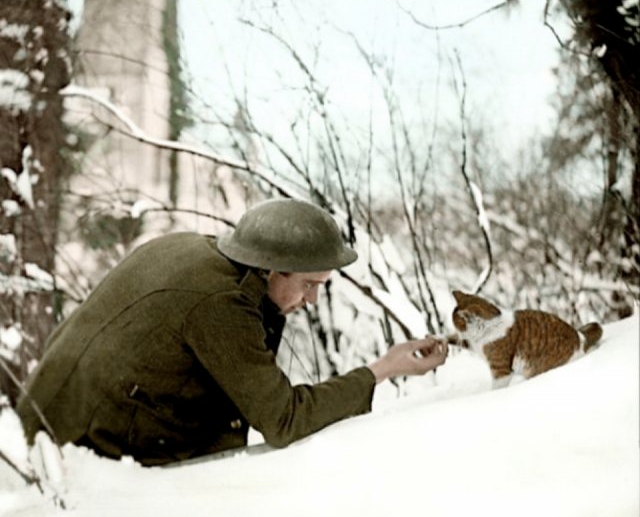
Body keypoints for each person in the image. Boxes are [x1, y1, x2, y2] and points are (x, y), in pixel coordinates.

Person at [17, 198, 448, 466]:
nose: (312, 301)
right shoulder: (220, 302)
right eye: (308, 285)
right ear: (270, 269)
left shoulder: (197, 249)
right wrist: (382, 369)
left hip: (48, 411)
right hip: (80, 451)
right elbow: (284, 419)